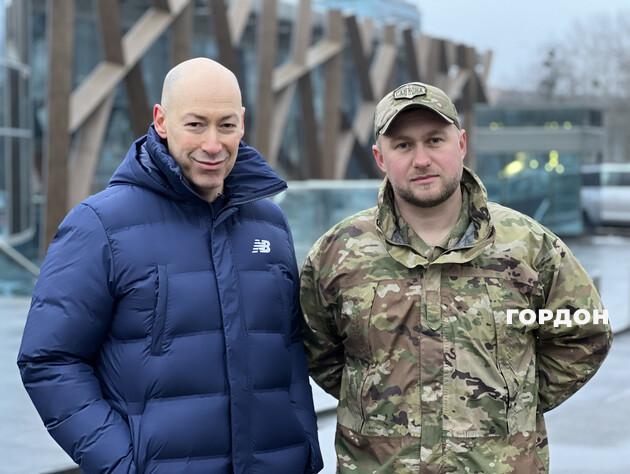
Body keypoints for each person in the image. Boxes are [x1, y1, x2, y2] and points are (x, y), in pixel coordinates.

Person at [18, 58, 323, 474]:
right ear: (161, 121)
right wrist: (123, 464)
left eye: (226, 125)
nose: (213, 144)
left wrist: (303, 450)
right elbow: (49, 359)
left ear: (242, 123)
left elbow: (288, 349)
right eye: (195, 124)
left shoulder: (269, 222)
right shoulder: (99, 226)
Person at [299, 81, 612, 473]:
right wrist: (376, 404)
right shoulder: (339, 252)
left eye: (435, 140)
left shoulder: (528, 246)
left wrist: (512, 401)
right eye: (403, 145)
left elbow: (583, 331)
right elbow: (317, 348)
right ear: (380, 157)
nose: (421, 160)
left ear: (461, 144)